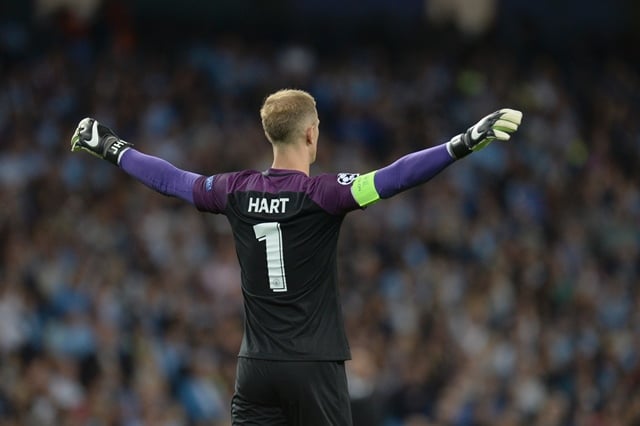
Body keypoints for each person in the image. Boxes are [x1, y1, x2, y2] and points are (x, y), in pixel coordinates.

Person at [70, 89, 522, 425]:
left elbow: (172, 179)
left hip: (257, 369)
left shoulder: (235, 189)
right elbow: (396, 176)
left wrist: (112, 146)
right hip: (314, 367)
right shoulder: (325, 193)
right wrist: (460, 143)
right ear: (311, 133)